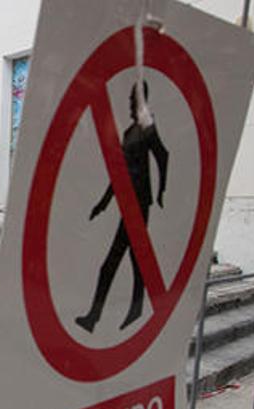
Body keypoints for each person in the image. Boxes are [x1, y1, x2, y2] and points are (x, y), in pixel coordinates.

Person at [75, 81, 169, 333]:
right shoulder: (130, 132)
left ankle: (95, 317)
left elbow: (163, 155)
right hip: (129, 203)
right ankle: (135, 309)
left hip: (139, 205)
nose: (128, 103)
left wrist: (161, 191)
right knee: (137, 259)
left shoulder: (147, 128)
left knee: (113, 262)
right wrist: (103, 203)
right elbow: (119, 173)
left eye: (132, 99)